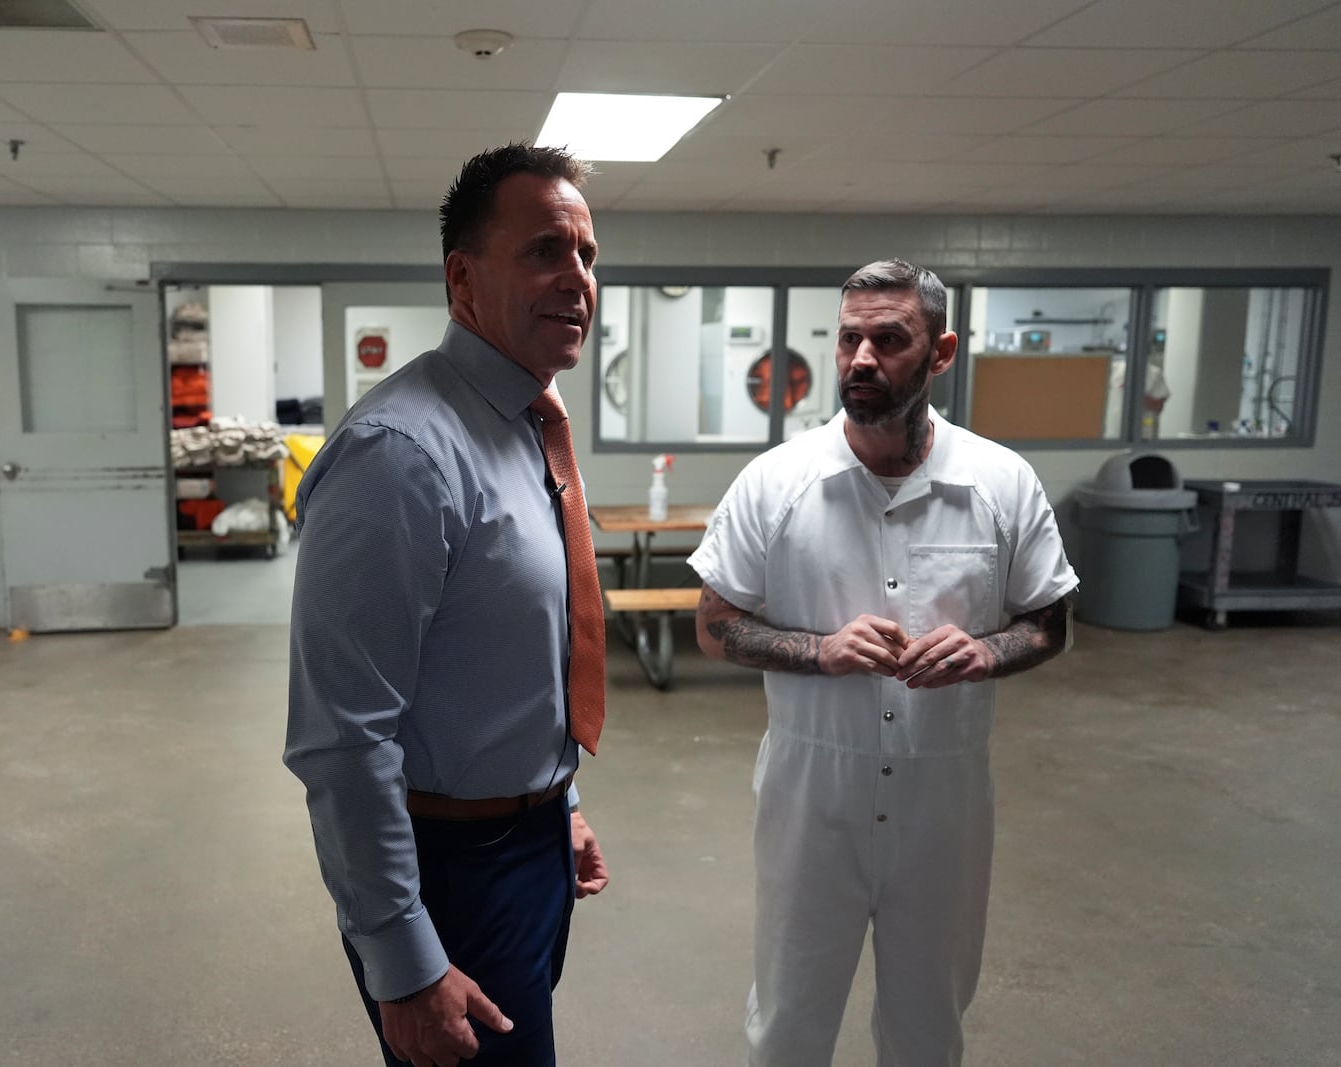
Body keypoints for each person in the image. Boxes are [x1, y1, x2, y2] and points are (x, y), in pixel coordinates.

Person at [689, 259, 1078, 1067]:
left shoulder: (1000, 482)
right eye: (849, 339)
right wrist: (817, 649)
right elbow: (713, 624)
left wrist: (985, 649)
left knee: (928, 1024)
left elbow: (1048, 622)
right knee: (788, 1019)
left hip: (945, 798)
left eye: (889, 339)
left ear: (940, 353)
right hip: (810, 796)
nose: (862, 358)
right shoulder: (777, 482)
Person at [284, 144, 611, 1067]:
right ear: (463, 279)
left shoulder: (524, 427)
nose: (578, 280)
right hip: (449, 873)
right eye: (546, 251)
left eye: (587, 256)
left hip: (530, 842)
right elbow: (341, 737)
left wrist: (560, 801)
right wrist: (404, 961)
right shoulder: (403, 454)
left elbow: (508, 648)